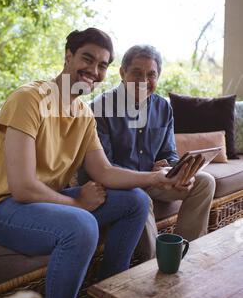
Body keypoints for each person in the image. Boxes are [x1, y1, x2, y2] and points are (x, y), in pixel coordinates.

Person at [0, 31, 196, 298]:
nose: (94, 70)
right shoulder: (28, 100)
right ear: (68, 55)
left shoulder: (83, 113)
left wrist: (157, 178)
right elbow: (21, 187)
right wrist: (77, 202)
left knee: (136, 201)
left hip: (41, 204)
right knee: (81, 225)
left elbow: (105, 171)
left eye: (102, 65)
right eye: (87, 58)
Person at [89, 44, 216, 262]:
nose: (144, 81)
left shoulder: (163, 108)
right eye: (137, 73)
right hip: (120, 185)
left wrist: (176, 170)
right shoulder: (100, 108)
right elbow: (104, 167)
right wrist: (148, 175)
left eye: (151, 75)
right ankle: (155, 266)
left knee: (204, 182)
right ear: (122, 73)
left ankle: (186, 257)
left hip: (154, 179)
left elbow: (169, 152)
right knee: (141, 199)